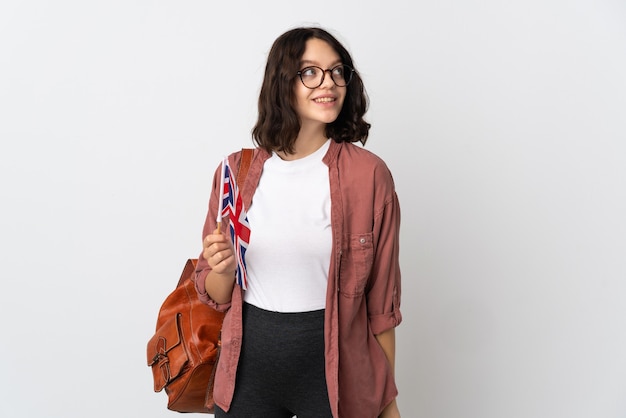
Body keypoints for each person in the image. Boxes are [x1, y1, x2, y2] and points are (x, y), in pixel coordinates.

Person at [195, 26, 402, 418]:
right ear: (282, 82)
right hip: (246, 373)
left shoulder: (368, 176)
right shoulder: (234, 173)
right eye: (311, 72)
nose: (329, 83)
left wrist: (385, 401)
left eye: (338, 71)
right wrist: (221, 268)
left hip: (335, 377)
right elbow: (217, 293)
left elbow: (382, 306)